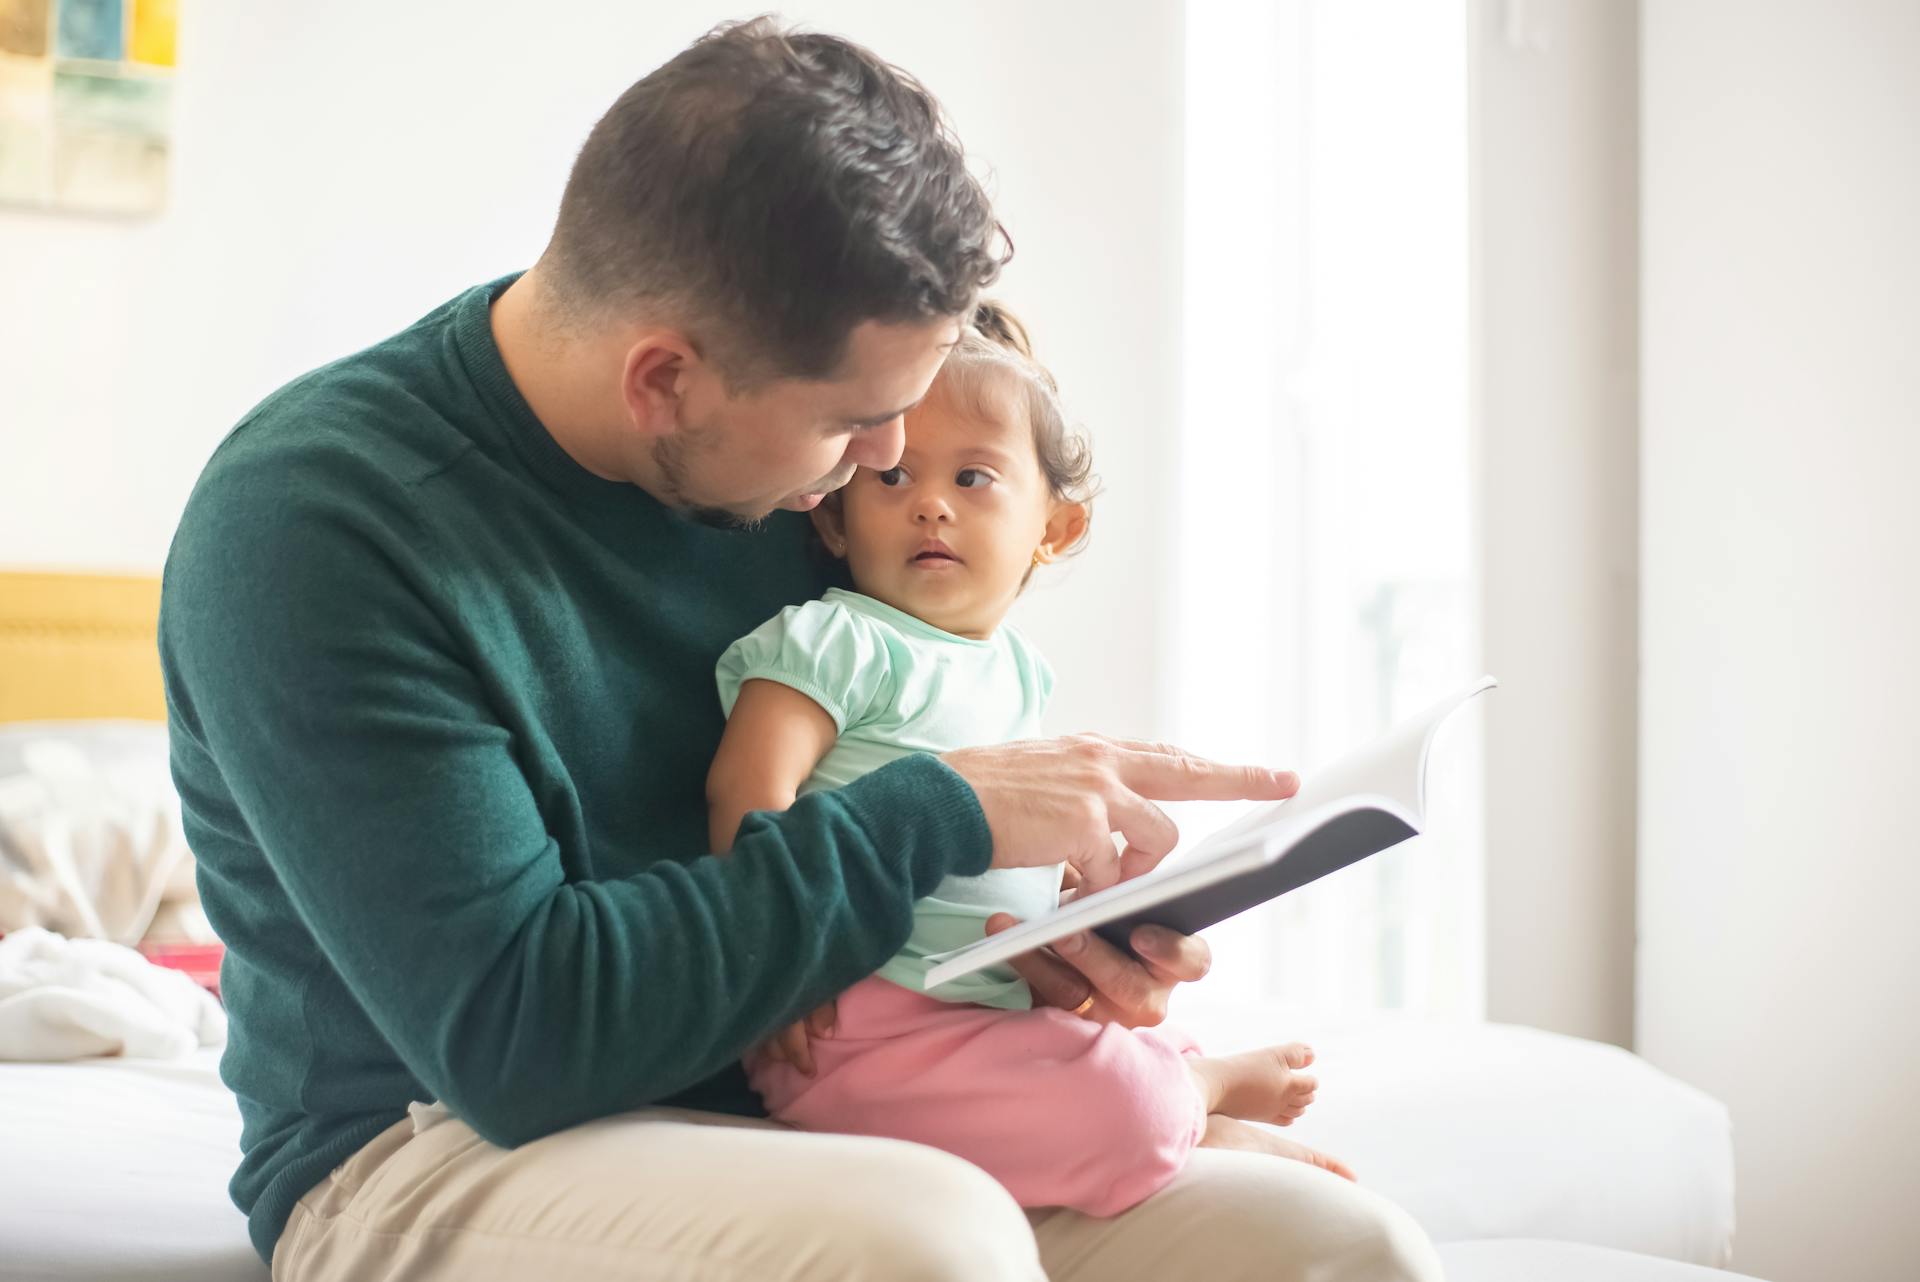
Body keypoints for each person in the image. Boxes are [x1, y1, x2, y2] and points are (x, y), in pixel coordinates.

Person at [160, 17, 1442, 1281]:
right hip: (434, 1142)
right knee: (925, 1245)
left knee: (1341, 1248)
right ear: (664, 382)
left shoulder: (792, 479)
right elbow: (520, 1040)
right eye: (855, 423)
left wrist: (1036, 938)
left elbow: (873, 834)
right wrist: (930, 823)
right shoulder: (317, 526)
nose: (887, 465)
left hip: (831, 1097)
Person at [711, 301, 1359, 1216]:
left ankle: (1183, 1095)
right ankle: (1193, 1102)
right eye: (893, 477)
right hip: (852, 1026)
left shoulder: (1018, 676)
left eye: (973, 477)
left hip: (985, 1005)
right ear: (836, 525)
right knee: (1118, 1104)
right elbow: (747, 788)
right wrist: (776, 961)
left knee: (1088, 1054)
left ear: (1053, 528)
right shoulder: (835, 641)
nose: (930, 502)